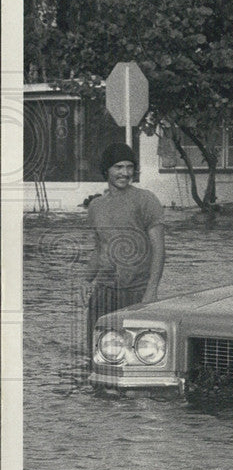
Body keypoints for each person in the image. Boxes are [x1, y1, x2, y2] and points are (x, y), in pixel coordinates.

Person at [83, 143, 165, 348]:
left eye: (129, 167)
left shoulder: (146, 200)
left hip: (136, 291)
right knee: (96, 351)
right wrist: (86, 281)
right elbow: (99, 248)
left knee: (134, 351)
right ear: (106, 170)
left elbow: (159, 250)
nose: (125, 173)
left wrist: (151, 291)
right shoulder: (96, 206)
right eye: (118, 167)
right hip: (103, 291)